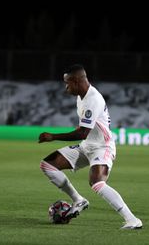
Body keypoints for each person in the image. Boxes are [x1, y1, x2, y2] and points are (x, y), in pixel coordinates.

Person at [38, 64, 142, 229]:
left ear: (77, 81)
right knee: (48, 164)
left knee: (96, 183)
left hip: (103, 147)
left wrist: (53, 136)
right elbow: (84, 135)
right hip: (86, 146)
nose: (66, 88)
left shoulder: (93, 100)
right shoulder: (81, 97)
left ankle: (132, 220)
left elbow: (82, 132)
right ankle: (79, 200)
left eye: (67, 83)